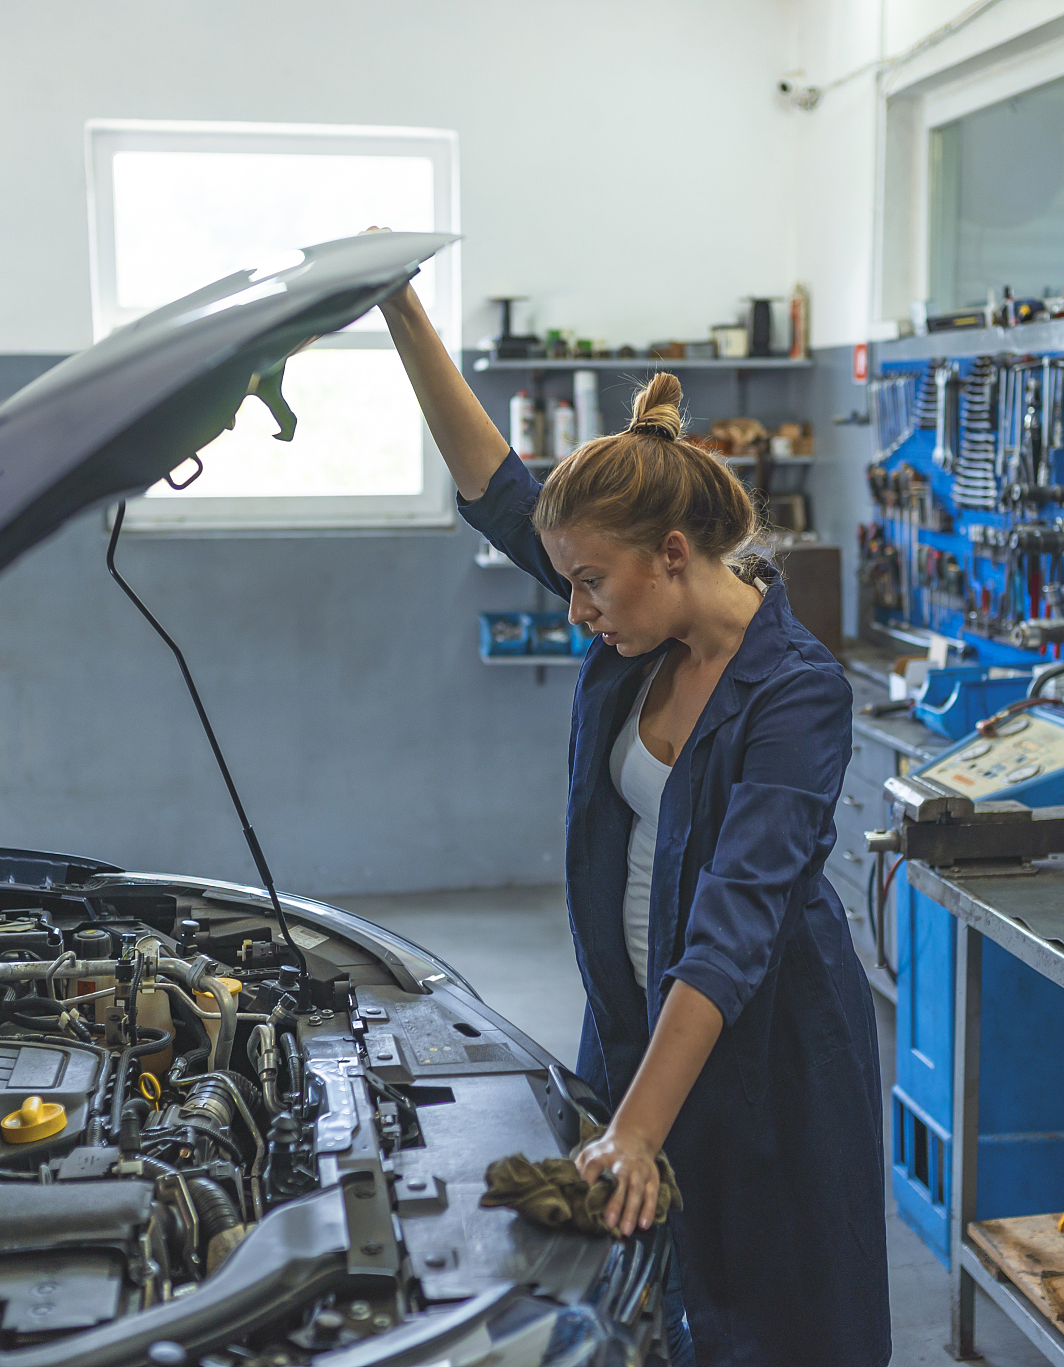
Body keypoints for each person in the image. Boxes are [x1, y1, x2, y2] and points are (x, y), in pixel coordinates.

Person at [379, 274, 890, 1367]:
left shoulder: (795, 693)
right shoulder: (634, 628)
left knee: (782, 1322)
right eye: (565, 581)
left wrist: (640, 1124)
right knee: (640, 1306)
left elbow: (734, 920)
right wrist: (401, 312)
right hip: (629, 1031)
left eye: (588, 583)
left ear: (671, 551)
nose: (574, 609)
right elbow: (493, 481)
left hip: (766, 1057)